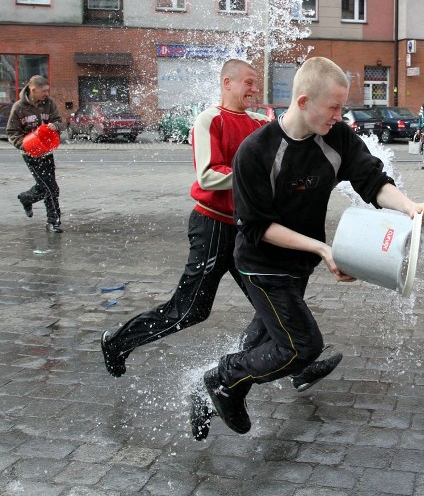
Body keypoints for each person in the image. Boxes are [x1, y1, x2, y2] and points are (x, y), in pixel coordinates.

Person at [200, 56, 424, 436]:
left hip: (299, 265)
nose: (339, 115)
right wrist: (324, 250)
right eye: (334, 106)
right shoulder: (256, 151)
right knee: (301, 347)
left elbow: (371, 180)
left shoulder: (337, 137)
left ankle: (203, 392)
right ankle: (222, 379)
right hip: (262, 265)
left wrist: (411, 208)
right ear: (304, 101)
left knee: (263, 339)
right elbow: (257, 227)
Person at [100, 59, 342, 391]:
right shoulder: (209, 119)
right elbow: (207, 175)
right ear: (227, 83)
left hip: (249, 231)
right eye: (248, 82)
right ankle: (118, 341)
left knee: (272, 299)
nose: (254, 89)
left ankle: (296, 367)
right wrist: (253, 179)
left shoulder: (261, 123)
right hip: (213, 226)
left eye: (256, 83)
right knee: (191, 310)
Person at [7, 75, 64, 233]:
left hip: (46, 152)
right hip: (30, 155)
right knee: (49, 188)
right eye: (44, 91)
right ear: (33, 90)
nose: (47, 93)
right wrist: (24, 147)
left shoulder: (49, 103)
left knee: (51, 188)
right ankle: (53, 222)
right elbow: (12, 132)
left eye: (48, 90)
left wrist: (56, 126)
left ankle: (27, 198)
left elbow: (60, 122)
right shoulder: (19, 108)